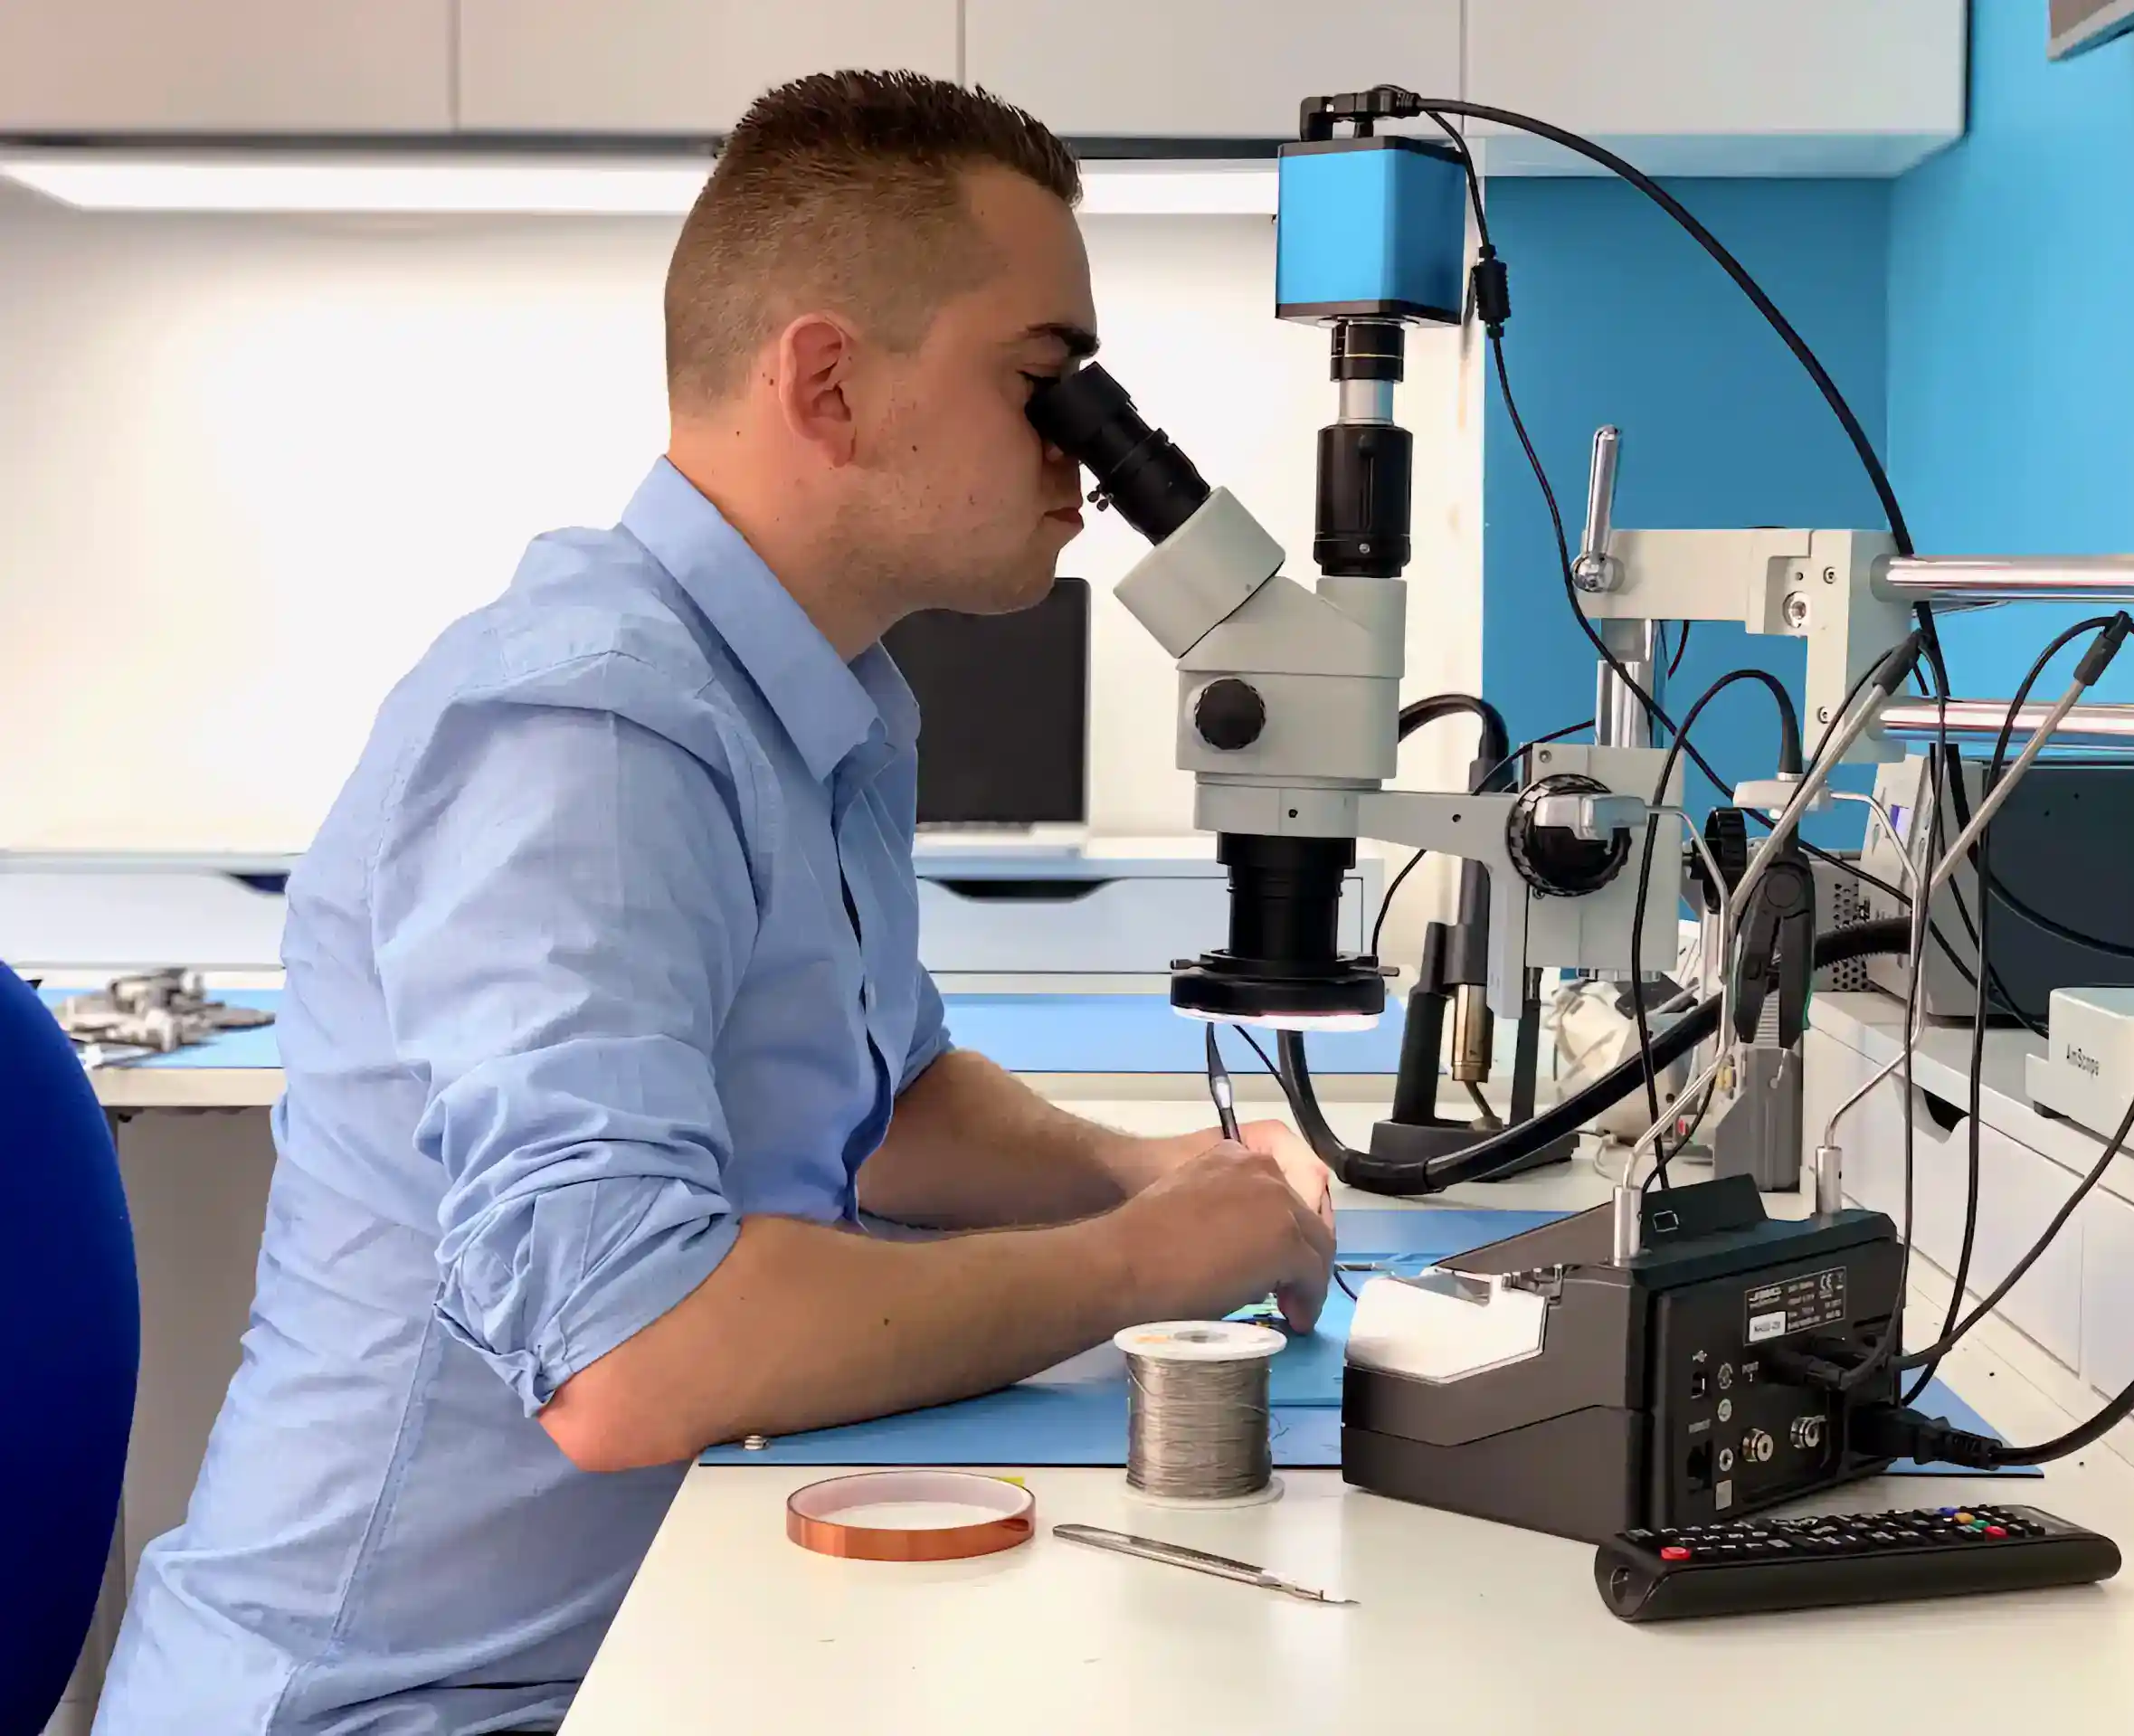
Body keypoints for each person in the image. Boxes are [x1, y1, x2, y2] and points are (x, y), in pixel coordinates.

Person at [96, 71, 1336, 1735]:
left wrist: (1140, 1170)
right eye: (1047, 382)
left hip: (652, 1639)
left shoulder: (824, 701)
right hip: (413, 1705)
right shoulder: (589, 736)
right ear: (827, 381)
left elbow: (875, 1100)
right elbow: (633, 1358)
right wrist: (1135, 1259)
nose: (1089, 456)